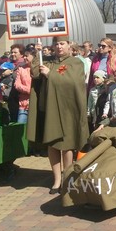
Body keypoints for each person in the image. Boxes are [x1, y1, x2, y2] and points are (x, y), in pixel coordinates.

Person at [27, 35, 90, 194]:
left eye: (62, 43)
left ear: (69, 45)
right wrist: (37, 54)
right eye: (56, 44)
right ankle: (56, 180)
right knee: (52, 143)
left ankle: (67, 178)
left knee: (66, 145)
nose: (59, 47)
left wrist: (51, 75)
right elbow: (34, 73)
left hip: (67, 109)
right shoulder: (48, 60)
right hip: (50, 109)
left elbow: (73, 83)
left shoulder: (75, 63)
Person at [13, 46, 37, 123]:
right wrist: (30, 90)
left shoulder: (39, 69)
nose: (25, 58)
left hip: (36, 104)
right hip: (23, 105)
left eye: (27, 56)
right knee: (20, 126)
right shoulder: (21, 69)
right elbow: (17, 84)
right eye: (24, 56)